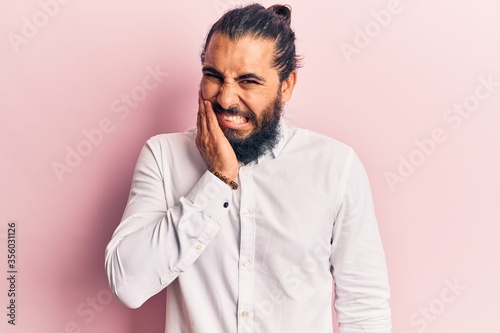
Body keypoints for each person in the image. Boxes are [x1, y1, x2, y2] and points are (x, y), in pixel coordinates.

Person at [105, 4, 391, 333]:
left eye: (248, 81)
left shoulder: (336, 167)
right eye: (213, 76)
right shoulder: (163, 156)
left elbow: (364, 307)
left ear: (287, 85)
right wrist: (217, 179)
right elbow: (127, 283)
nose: (226, 99)